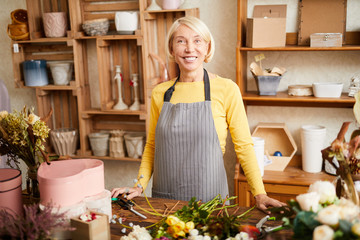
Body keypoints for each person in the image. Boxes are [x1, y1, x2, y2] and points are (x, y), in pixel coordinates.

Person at [111, 16, 285, 213]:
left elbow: (244, 146)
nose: (189, 48)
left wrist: (259, 193)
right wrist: (139, 185)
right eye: (181, 41)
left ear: (207, 47)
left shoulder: (227, 89)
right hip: (166, 201)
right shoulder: (160, 93)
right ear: (172, 49)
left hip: (211, 202)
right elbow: (152, 146)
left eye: (197, 40)